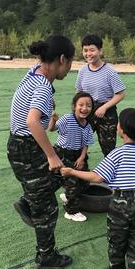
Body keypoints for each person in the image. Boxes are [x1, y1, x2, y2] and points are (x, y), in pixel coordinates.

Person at [7, 35, 74, 269]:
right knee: (47, 207)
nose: (70, 69)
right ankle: (46, 256)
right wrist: (50, 155)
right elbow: (33, 121)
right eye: (71, 63)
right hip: (27, 147)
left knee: (66, 165)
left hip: (20, 145)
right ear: (62, 59)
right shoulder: (43, 87)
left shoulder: (34, 70)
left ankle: (28, 200)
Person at [61, 108, 135, 269]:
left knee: (117, 241)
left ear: (122, 131)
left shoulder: (117, 153)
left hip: (121, 204)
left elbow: (97, 177)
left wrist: (71, 172)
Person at [75, 34, 126, 157]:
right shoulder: (82, 71)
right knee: (78, 145)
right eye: (85, 50)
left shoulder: (110, 71)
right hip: (87, 111)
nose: (88, 54)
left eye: (92, 50)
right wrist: (77, 111)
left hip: (106, 113)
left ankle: (111, 173)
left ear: (100, 51)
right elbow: (78, 92)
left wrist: (104, 107)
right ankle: (80, 171)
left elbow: (121, 94)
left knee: (108, 148)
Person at [48, 92, 94, 222]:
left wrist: (81, 158)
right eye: (81, 105)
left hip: (78, 155)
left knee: (85, 181)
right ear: (74, 106)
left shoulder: (88, 126)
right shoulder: (67, 119)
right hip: (63, 154)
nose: (85, 108)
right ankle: (71, 211)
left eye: (88, 106)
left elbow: (86, 144)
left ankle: (68, 196)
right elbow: (51, 129)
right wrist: (54, 119)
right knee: (72, 182)